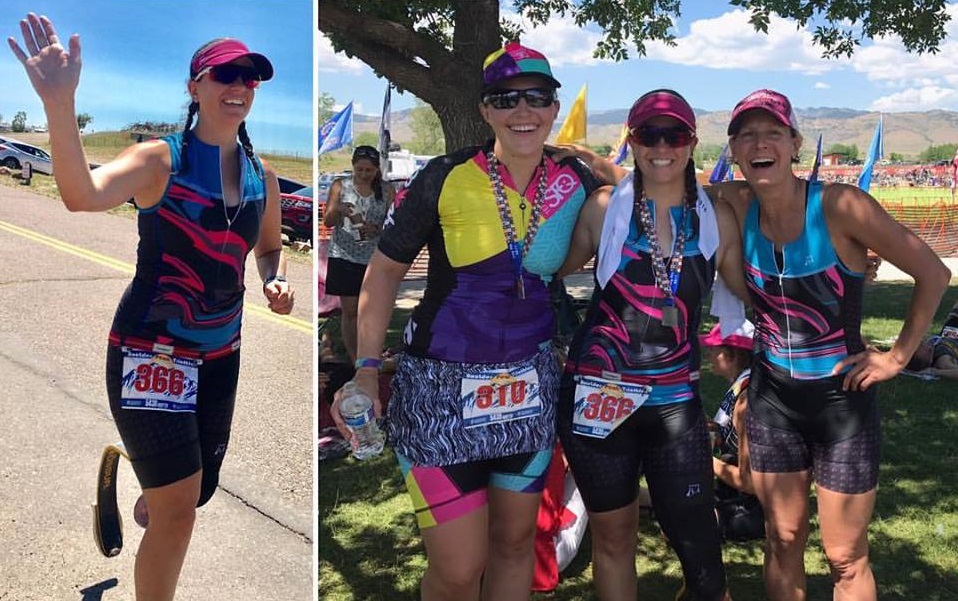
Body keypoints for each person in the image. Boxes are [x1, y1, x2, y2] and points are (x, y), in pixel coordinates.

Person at [10, 15, 293, 601]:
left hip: (221, 354)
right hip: (150, 352)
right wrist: (60, 104)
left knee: (199, 489)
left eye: (251, 77)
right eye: (225, 74)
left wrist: (275, 281)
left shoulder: (262, 175)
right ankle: (160, 496)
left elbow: (269, 249)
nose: (239, 85)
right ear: (195, 87)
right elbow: (79, 195)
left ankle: (155, 483)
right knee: (180, 513)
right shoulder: (159, 161)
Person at [330, 42, 601, 600]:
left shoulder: (576, 179)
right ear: (484, 110)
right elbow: (380, 276)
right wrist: (363, 368)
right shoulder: (445, 175)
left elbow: (649, 194)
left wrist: (599, 161)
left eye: (536, 97)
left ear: (554, 106)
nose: (522, 110)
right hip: (437, 391)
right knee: (458, 567)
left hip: (527, 387)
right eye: (506, 99)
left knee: (514, 546)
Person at [711, 89, 950, 600]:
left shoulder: (841, 206)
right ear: (733, 150)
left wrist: (898, 357)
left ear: (794, 142)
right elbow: (650, 182)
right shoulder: (733, 201)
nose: (760, 143)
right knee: (783, 539)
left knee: (844, 555)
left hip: (842, 401)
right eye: (746, 134)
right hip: (773, 399)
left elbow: (932, 271)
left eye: (772, 132)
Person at [554, 89, 746, 601]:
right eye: (648, 135)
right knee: (614, 539)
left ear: (692, 142)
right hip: (597, 398)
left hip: (673, 406)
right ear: (632, 141)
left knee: (699, 541)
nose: (662, 146)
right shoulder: (601, 209)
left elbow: (753, 294)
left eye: (674, 134)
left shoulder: (716, 219)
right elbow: (553, 265)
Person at [322, 145, 393, 361]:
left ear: (376, 170)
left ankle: (371, 355)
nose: (363, 175)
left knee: (371, 311)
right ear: (353, 166)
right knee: (350, 311)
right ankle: (356, 361)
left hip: (374, 258)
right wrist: (338, 210)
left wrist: (377, 229)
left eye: (368, 171)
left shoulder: (388, 190)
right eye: (359, 170)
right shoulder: (339, 186)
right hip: (344, 256)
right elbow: (327, 221)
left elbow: (393, 225)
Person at [700, 322, 765, 543]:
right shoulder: (744, 384)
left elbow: (750, 483)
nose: (708, 354)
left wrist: (705, 460)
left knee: (680, 519)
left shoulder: (745, 403)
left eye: (713, 348)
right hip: (743, 498)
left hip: (754, 509)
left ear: (732, 355)